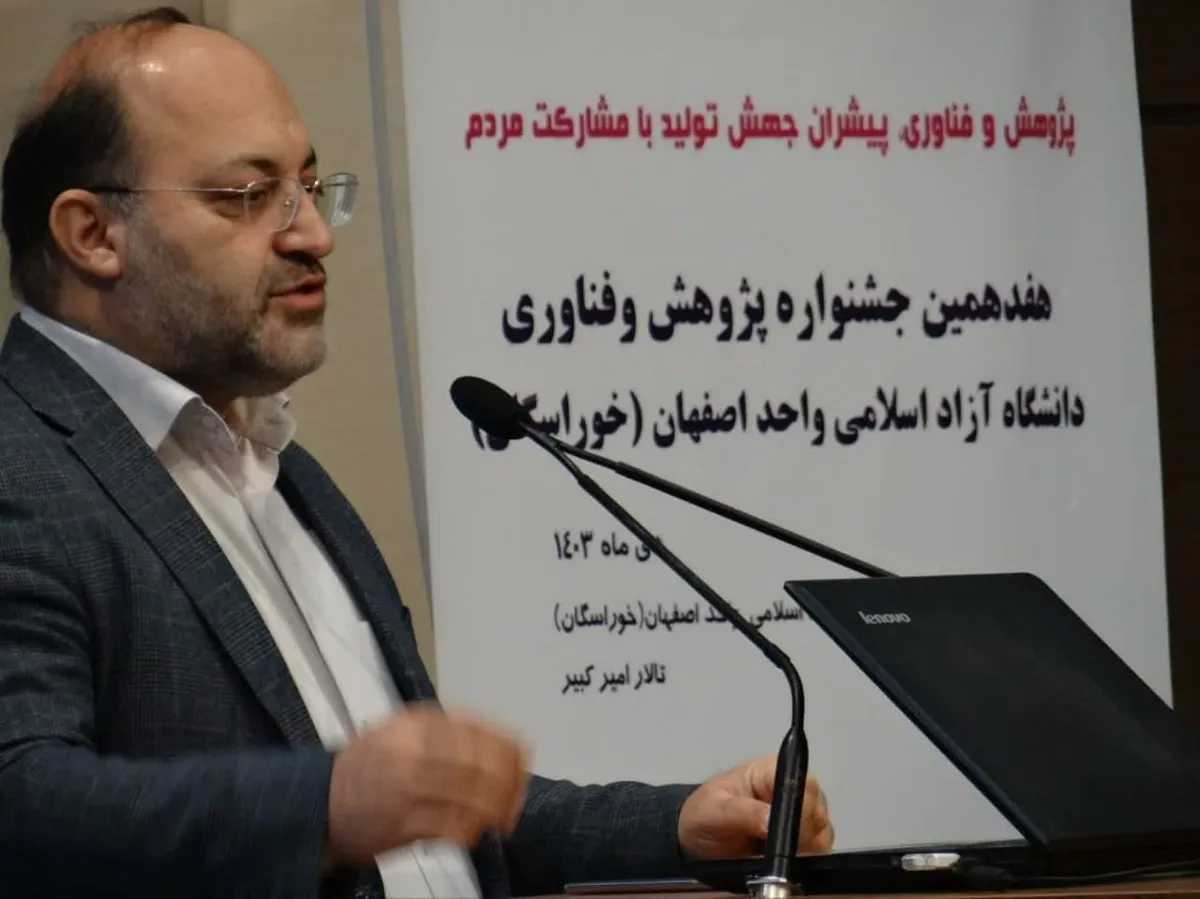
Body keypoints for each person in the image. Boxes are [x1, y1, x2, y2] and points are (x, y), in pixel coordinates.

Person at [0, 7, 833, 898]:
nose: (314, 234)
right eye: (247, 194)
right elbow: (23, 800)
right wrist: (324, 805)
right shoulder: (24, 469)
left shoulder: (277, 471)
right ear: (93, 233)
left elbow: (427, 832)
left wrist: (672, 826)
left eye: (310, 186)